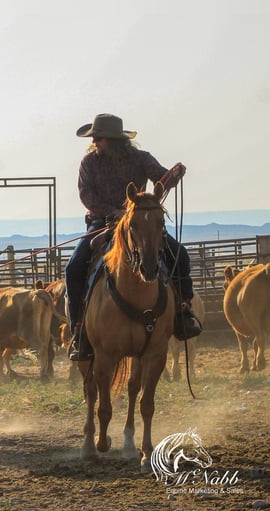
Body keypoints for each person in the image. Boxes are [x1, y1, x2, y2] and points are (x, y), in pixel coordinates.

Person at [65, 113, 202, 361]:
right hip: (102, 222)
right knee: (74, 267)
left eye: (99, 138)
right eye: (95, 138)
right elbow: (87, 195)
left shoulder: (141, 159)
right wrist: (115, 212)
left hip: (140, 224)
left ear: (115, 140)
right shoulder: (89, 163)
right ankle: (79, 330)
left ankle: (183, 311)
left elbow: (161, 178)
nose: (95, 142)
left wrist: (174, 174)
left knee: (178, 254)